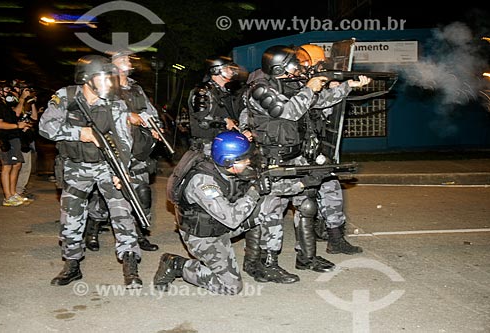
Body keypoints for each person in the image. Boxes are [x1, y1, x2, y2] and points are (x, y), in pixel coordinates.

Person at [239, 45, 370, 275]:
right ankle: (267, 263)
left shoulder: (293, 84)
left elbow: (320, 101)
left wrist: (349, 86)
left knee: (306, 205)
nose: (298, 66)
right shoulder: (260, 90)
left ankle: (307, 257)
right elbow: (288, 112)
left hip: (297, 156)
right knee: (272, 210)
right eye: (293, 62)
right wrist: (309, 88)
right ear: (279, 66)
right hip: (274, 158)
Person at [39, 54, 146, 288]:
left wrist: (122, 171)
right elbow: (46, 128)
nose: (109, 83)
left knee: (122, 210)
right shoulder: (65, 97)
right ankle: (72, 263)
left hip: (107, 165)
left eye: (110, 79)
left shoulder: (115, 103)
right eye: (104, 78)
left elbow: (123, 140)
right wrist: (81, 133)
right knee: (72, 215)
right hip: (75, 166)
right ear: (87, 79)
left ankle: (130, 262)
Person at [153, 131, 296, 295]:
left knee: (272, 202)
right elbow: (231, 219)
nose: (248, 161)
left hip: (223, 224)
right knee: (231, 287)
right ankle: (176, 265)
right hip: (204, 237)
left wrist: (301, 184)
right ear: (229, 162)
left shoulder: (225, 166)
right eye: (243, 159)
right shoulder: (202, 182)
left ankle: (261, 263)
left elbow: (267, 187)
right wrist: (254, 191)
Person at [83, 49, 161, 252]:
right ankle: (93, 228)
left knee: (142, 192)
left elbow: (149, 111)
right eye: (123, 58)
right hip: (114, 147)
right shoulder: (105, 85)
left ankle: (140, 233)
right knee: (107, 194)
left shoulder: (136, 88)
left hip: (138, 147)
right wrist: (128, 115)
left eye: (128, 58)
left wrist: (155, 127)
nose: (128, 61)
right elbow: (98, 112)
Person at [299, 43, 363, 254]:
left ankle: (331, 237)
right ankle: (306, 249)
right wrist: (346, 87)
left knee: (328, 188)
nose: (319, 67)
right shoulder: (301, 84)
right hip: (299, 150)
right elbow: (316, 103)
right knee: (301, 197)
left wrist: (336, 87)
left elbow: (325, 112)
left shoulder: (312, 82)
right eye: (317, 63)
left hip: (313, 147)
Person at [187, 55, 242, 155]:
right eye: (228, 68)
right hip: (207, 145)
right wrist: (225, 122)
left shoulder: (226, 92)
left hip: (224, 141)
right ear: (216, 70)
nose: (231, 71)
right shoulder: (202, 92)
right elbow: (203, 121)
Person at [0, 80, 33, 206]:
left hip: (14, 137)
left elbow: (15, 113)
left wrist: (21, 99)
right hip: (6, 139)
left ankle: (13, 193)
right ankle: (8, 197)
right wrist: (17, 125)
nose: (8, 91)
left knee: (17, 165)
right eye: (5, 89)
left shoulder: (6, 105)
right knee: (7, 166)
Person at [14, 80, 39, 202]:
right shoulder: (14, 101)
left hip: (26, 139)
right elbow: (16, 115)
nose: (28, 92)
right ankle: (15, 191)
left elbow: (34, 117)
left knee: (26, 166)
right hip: (16, 138)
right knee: (16, 166)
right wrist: (22, 99)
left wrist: (32, 103)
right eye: (25, 90)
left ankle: (20, 189)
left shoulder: (28, 103)